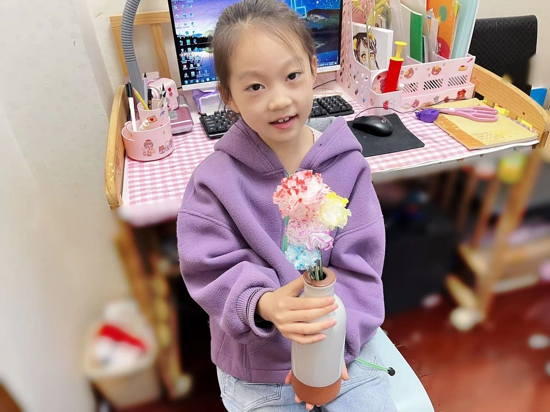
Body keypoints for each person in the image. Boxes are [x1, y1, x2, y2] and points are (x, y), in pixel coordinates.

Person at [177, 0, 396, 410]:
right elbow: (207, 267)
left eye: (292, 76)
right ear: (228, 95)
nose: (278, 100)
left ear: (313, 69)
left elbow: (362, 268)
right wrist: (263, 303)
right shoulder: (214, 181)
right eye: (255, 87)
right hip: (257, 365)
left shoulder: (348, 167)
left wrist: (336, 345)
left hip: (339, 347)